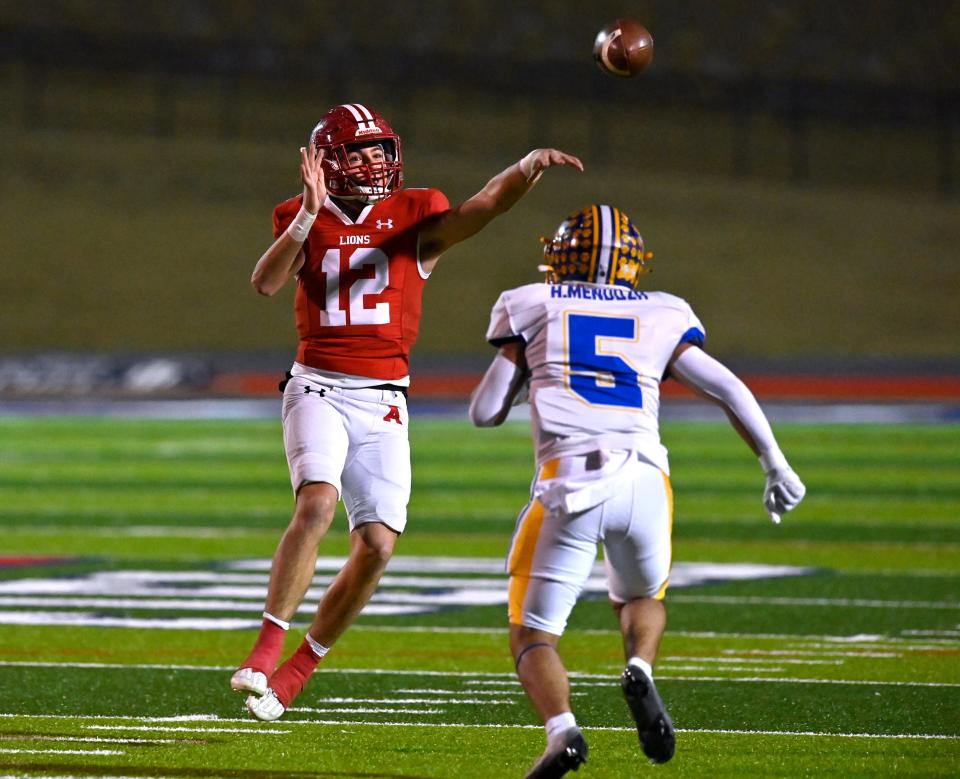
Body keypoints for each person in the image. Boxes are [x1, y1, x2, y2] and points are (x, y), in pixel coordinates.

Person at [230, 102, 583, 722]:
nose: (372, 161)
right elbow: (264, 283)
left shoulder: (414, 214)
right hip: (317, 385)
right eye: (358, 152)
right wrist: (309, 215)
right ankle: (264, 649)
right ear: (328, 162)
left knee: (378, 545)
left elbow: (484, 207)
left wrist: (527, 166)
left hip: (386, 399)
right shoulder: (299, 214)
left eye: (378, 150)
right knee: (317, 501)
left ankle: (296, 673)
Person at [468, 204, 806, 776]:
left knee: (533, 634)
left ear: (561, 257)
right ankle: (641, 670)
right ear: (633, 265)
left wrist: (537, 378)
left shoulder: (530, 303)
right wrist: (775, 463)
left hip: (570, 484)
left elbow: (484, 412)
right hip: (647, 480)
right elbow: (727, 387)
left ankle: (563, 732)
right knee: (641, 597)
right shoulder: (664, 312)